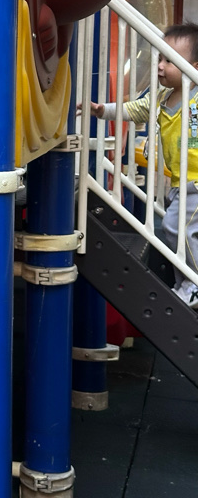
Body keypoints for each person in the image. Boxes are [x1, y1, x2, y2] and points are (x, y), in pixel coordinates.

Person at [87, 23, 198, 307]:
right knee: (180, 233)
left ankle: (194, 283)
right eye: (160, 57)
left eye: (169, 61)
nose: (160, 66)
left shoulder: (196, 99)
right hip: (180, 183)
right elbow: (134, 109)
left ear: (194, 68)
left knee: (176, 229)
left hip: (196, 183)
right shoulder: (160, 98)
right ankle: (186, 283)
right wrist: (103, 111)